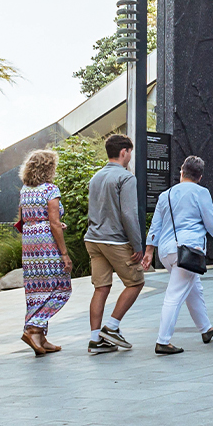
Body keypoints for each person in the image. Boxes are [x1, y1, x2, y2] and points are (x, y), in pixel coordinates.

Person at [140, 155, 213, 355]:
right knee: (175, 294)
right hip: (189, 250)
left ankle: (206, 329)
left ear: (182, 172)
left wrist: (149, 251)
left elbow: (156, 225)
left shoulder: (165, 195)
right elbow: (210, 219)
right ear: (200, 176)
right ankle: (163, 341)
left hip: (167, 251)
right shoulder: (201, 192)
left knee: (194, 288)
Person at [84, 133, 146, 355]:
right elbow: (129, 214)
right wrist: (137, 245)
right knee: (136, 282)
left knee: (101, 288)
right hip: (114, 240)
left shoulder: (96, 177)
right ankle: (112, 326)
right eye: (130, 152)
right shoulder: (126, 177)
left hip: (93, 239)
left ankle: (94, 340)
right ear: (124, 152)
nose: (130, 156)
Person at [17, 149, 71, 356]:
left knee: (36, 288)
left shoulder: (25, 190)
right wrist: (64, 254)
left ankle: (40, 337)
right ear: (48, 168)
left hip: (30, 243)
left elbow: (25, 218)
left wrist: (45, 224)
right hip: (47, 243)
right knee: (61, 286)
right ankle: (32, 327)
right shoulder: (50, 189)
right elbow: (54, 224)